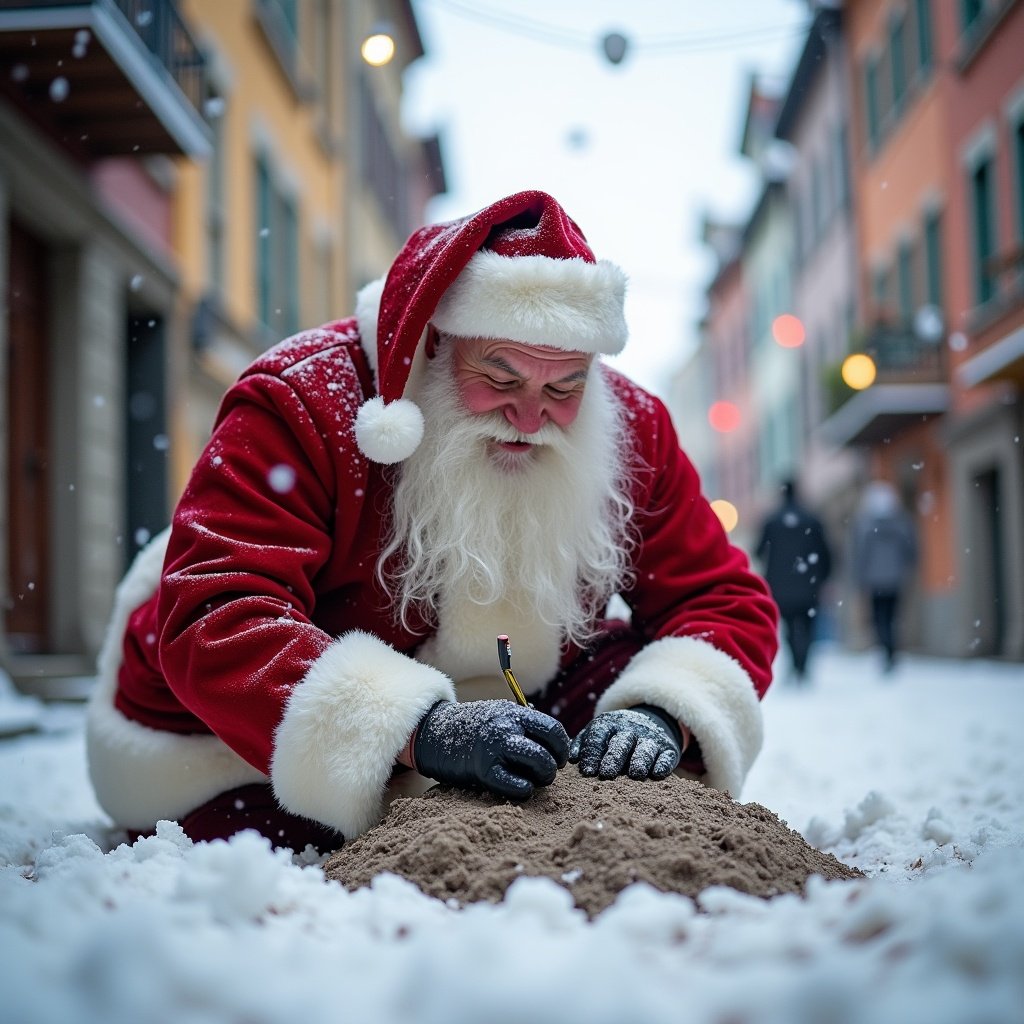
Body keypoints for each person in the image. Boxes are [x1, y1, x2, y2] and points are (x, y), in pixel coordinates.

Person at [87, 190, 778, 853]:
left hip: (514, 700)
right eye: (502, 380)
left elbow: (720, 599)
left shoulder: (634, 427)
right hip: (233, 730)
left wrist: (662, 713)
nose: (531, 418)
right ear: (435, 346)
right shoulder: (301, 401)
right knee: (286, 831)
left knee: (637, 741)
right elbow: (219, 611)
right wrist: (421, 730)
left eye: (564, 386)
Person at [754, 478, 833, 683]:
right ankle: (803, 665)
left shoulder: (772, 521)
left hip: (781, 585)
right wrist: (824, 577)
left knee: (789, 627)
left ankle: (796, 664)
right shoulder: (811, 519)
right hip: (809, 583)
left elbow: (759, 550)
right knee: (808, 625)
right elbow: (825, 552)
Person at [850, 479, 918, 672]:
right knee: (893, 616)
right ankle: (892, 651)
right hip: (895, 579)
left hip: (874, 581)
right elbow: (910, 548)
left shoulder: (865, 524)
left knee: (880, 618)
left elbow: (861, 553)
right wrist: (908, 567)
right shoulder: (901, 522)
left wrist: (860, 576)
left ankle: (886, 651)